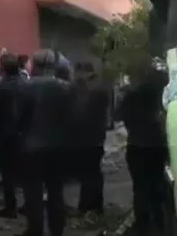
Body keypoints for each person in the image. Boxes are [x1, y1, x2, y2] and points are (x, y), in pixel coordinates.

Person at [19, 49, 74, 236]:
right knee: (56, 189)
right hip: (58, 146)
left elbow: (19, 117)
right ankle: (57, 228)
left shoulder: (26, 86)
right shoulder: (64, 87)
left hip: (31, 146)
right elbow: (70, 117)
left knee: (33, 190)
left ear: (35, 64)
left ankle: (35, 229)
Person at [116, 63, 169, 235]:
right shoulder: (162, 94)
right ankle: (160, 223)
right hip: (157, 146)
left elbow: (118, 115)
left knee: (140, 187)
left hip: (137, 145)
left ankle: (143, 224)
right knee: (157, 184)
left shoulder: (133, 94)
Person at [0, 53, 26, 218]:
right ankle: (29, 204)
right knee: (26, 171)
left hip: (3, 133)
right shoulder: (26, 85)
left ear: (2, 68)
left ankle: (11, 206)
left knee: (7, 172)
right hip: (24, 132)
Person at [69, 60, 109, 225]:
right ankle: (93, 206)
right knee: (92, 172)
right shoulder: (96, 88)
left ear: (82, 72)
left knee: (89, 173)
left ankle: (87, 206)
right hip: (95, 137)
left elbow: (81, 113)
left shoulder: (91, 90)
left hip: (88, 138)